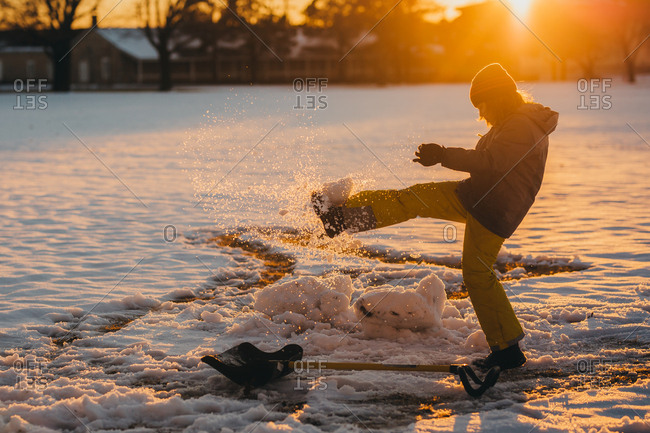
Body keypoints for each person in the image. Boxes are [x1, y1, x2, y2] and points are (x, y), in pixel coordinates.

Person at [312, 63, 559, 371]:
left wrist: (443, 155)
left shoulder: (521, 125)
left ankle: (508, 349)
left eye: (483, 104)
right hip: (482, 199)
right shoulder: (515, 121)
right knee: (413, 198)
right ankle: (341, 216)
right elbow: (492, 164)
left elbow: (492, 162)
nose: (482, 113)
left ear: (498, 97)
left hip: (493, 207)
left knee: (477, 274)